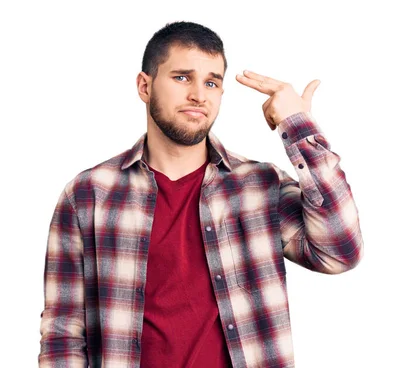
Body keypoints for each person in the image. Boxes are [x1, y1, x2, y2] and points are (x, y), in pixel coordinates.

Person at [38, 21, 363, 368]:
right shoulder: (88, 195)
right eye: (182, 77)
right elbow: (63, 332)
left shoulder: (259, 186)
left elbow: (339, 251)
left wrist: (297, 125)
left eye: (211, 82)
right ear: (144, 86)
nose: (199, 94)